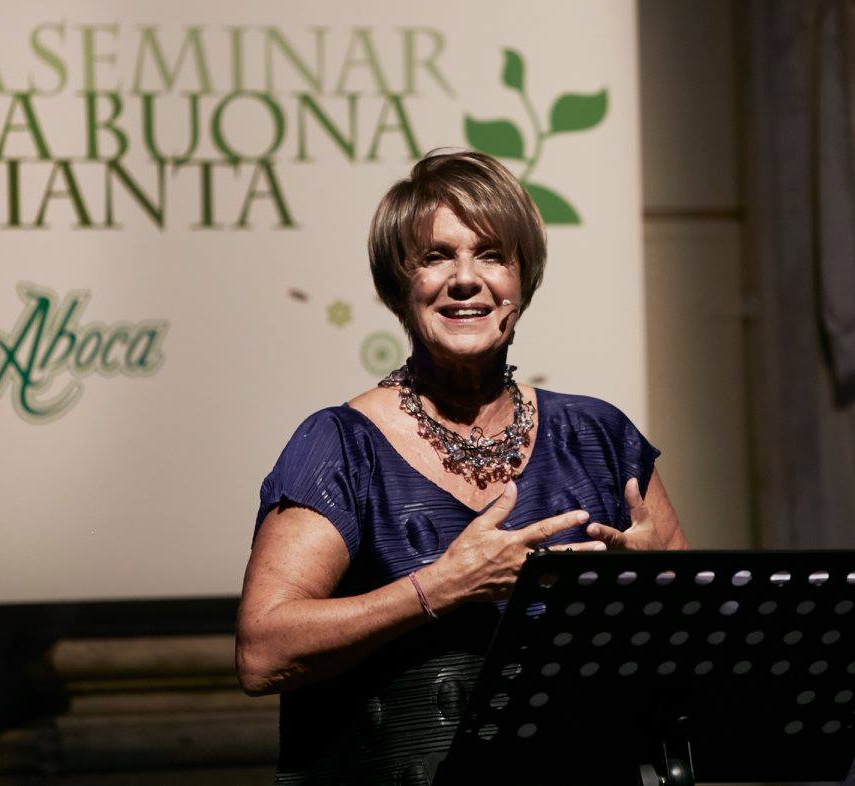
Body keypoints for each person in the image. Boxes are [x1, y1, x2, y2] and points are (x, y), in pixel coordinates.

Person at [236, 150, 689, 785]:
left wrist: (649, 595)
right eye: (435, 256)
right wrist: (442, 587)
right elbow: (262, 652)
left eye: (492, 255)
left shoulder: (598, 437)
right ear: (399, 284)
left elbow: (695, 646)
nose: (465, 279)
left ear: (522, 281)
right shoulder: (342, 446)